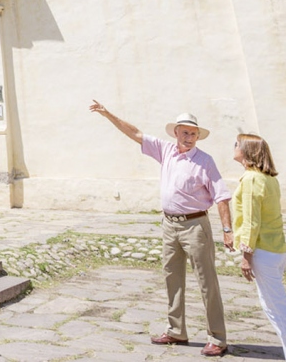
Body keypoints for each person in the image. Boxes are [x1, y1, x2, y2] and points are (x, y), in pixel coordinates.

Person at [90, 101, 233, 357]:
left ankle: (218, 338)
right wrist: (107, 114)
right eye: (184, 132)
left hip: (196, 225)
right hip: (170, 225)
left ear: (198, 136)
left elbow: (222, 196)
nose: (188, 137)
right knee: (172, 278)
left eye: (193, 133)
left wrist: (227, 229)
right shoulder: (166, 150)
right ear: (175, 133)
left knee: (207, 282)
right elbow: (134, 133)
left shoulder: (205, 161)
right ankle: (177, 330)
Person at [232, 134, 286, 362]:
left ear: (247, 151)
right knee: (273, 307)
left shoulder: (251, 179)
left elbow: (251, 221)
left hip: (263, 251)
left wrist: (246, 256)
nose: (233, 147)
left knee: (279, 311)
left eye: (237, 144)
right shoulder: (269, 179)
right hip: (276, 249)